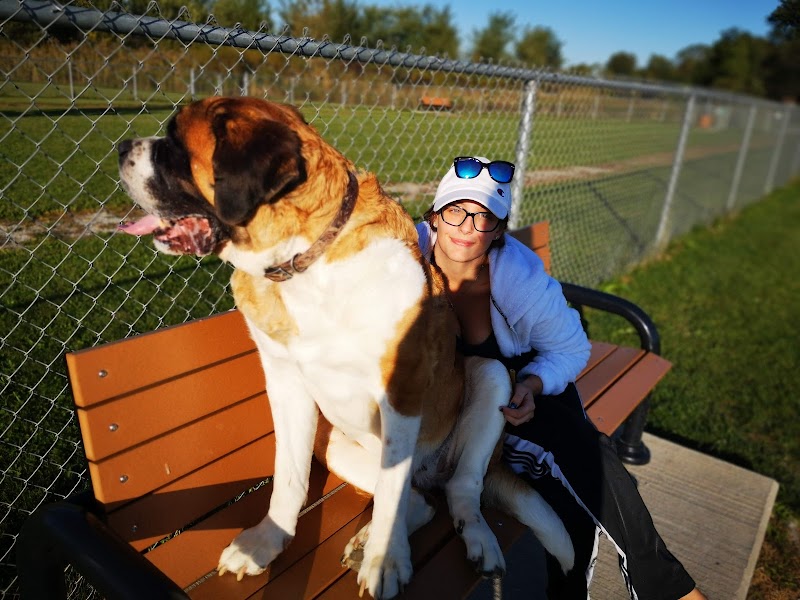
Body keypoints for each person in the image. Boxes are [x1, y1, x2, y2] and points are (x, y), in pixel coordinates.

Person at [416, 156, 706, 600]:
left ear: (498, 230)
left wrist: (531, 385)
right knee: (583, 466)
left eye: (484, 216)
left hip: (521, 397)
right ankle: (662, 589)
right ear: (434, 216)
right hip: (460, 412)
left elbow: (571, 349)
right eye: (456, 210)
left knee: (581, 459)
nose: (468, 226)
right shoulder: (407, 258)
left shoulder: (517, 274)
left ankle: (646, 587)